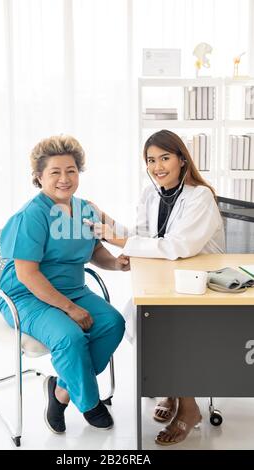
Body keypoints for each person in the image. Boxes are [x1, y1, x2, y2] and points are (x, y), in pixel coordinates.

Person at [85, 129, 225, 446]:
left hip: (201, 286)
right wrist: (104, 220)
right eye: (151, 160)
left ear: (181, 160)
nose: (157, 166)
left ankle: (189, 409)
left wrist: (122, 240)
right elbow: (143, 236)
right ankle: (171, 389)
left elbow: (177, 246)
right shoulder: (153, 193)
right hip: (166, 278)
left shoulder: (200, 197)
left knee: (165, 326)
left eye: (165, 157)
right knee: (136, 315)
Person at [0, 134, 128, 434]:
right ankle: (90, 403)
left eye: (71, 170)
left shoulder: (86, 209)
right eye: (55, 172)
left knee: (113, 322)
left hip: (72, 289)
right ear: (39, 177)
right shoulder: (31, 215)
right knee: (70, 337)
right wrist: (70, 309)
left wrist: (117, 264)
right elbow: (27, 274)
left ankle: (61, 390)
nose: (64, 179)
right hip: (26, 296)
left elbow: (95, 250)